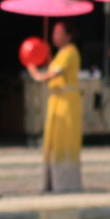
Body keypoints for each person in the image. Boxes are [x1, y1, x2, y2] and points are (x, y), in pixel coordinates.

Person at [29, 21, 83, 193]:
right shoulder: (61, 53)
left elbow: (51, 75)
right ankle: (53, 181)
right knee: (53, 141)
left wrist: (34, 71)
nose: (55, 35)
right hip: (57, 101)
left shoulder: (70, 52)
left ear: (68, 35)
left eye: (59, 32)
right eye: (54, 32)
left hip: (66, 102)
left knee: (63, 140)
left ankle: (66, 183)